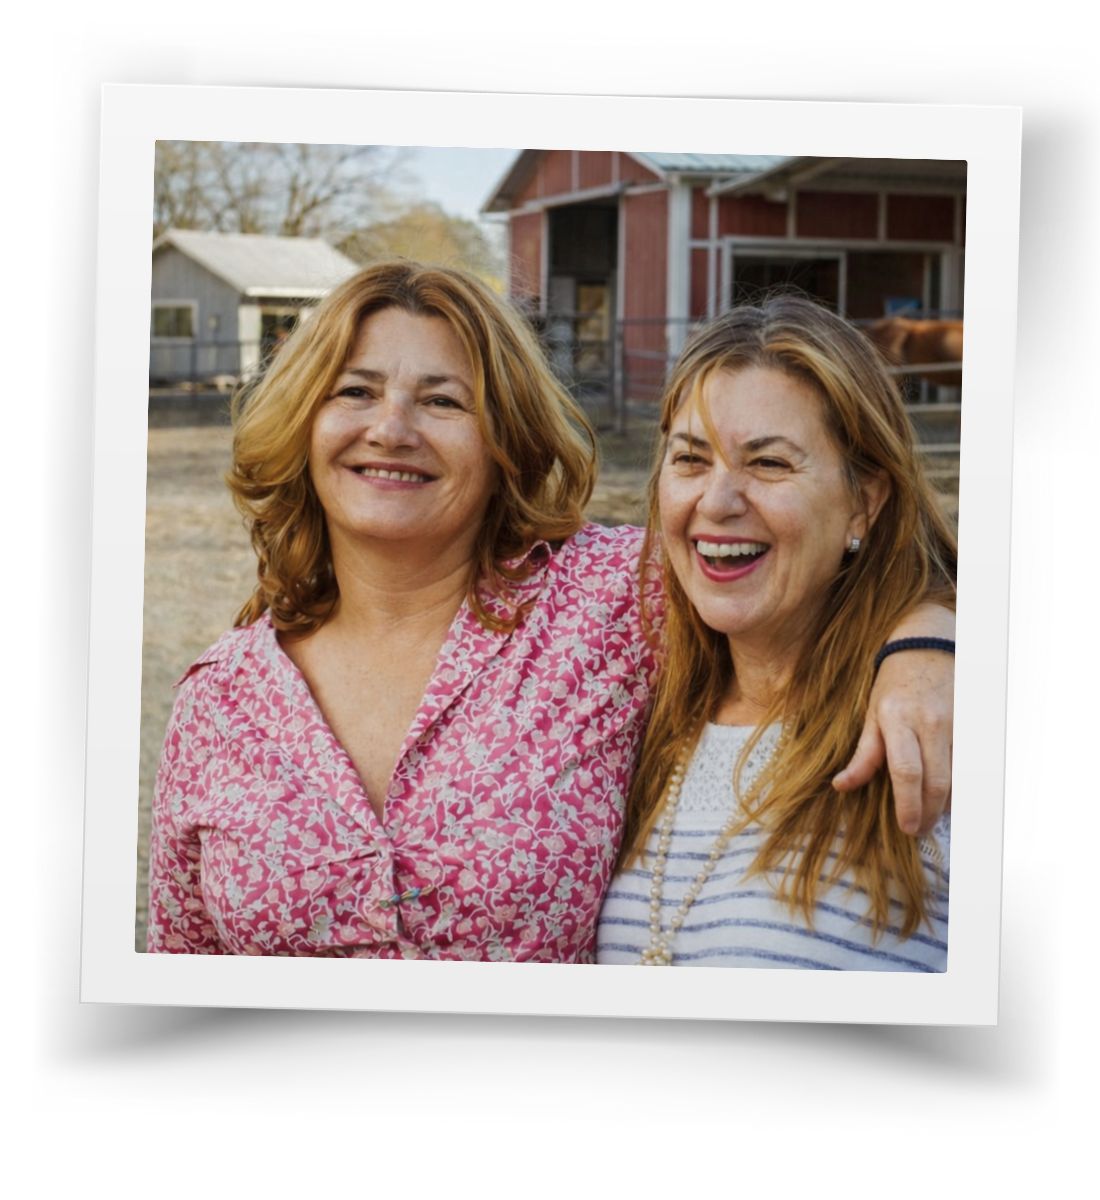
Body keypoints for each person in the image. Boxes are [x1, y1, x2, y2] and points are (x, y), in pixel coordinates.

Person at [147, 262, 955, 961]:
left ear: (505, 439)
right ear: (304, 421)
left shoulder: (605, 601)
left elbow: (805, 567)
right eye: (355, 391)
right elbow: (180, 966)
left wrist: (929, 642)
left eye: (442, 402)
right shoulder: (220, 699)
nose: (391, 429)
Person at [596, 296, 956, 969]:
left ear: (863, 503)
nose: (718, 501)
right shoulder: (633, 706)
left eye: (769, 463)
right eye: (690, 460)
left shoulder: (935, 733)